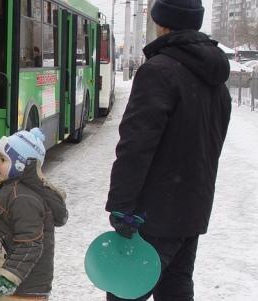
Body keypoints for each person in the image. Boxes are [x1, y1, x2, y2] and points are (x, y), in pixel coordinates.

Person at [105, 0, 231, 300]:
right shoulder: (217, 81)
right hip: (192, 212)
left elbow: (135, 145)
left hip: (151, 216)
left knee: (125, 291)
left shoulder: (158, 71)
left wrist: (121, 206)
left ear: (162, 23)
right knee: (175, 288)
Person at [0, 128, 68, 301]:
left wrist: (7, 279)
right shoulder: (15, 191)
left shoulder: (23, 198)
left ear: (20, 164)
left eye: (3, 159)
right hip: (20, 287)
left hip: (21, 290)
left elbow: (30, 245)